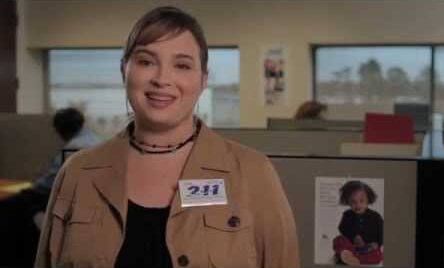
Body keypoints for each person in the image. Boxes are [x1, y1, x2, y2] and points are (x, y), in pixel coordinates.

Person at [35, 6, 300, 268]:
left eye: (182, 65)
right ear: (124, 70)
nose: (162, 79)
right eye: (146, 61)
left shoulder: (252, 172)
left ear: (203, 79)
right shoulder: (78, 173)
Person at [0, 107, 101, 268]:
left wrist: (33, 185)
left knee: (14, 205)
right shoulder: (94, 139)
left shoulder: (74, 147)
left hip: (68, 199)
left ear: (62, 129)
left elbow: (53, 180)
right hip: (85, 198)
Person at [333, 180, 383, 266]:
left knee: (378, 255)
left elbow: (382, 232)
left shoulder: (376, 217)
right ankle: (348, 256)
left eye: (361, 201)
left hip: (368, 248)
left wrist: (376, 243)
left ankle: (354, 259)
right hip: (351, 247)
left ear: (368, 200)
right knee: (338, 240)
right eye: (353, 202)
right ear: (347, 202)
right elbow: (342, 228)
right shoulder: (347, 215)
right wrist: (354, 236)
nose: (357, 205)